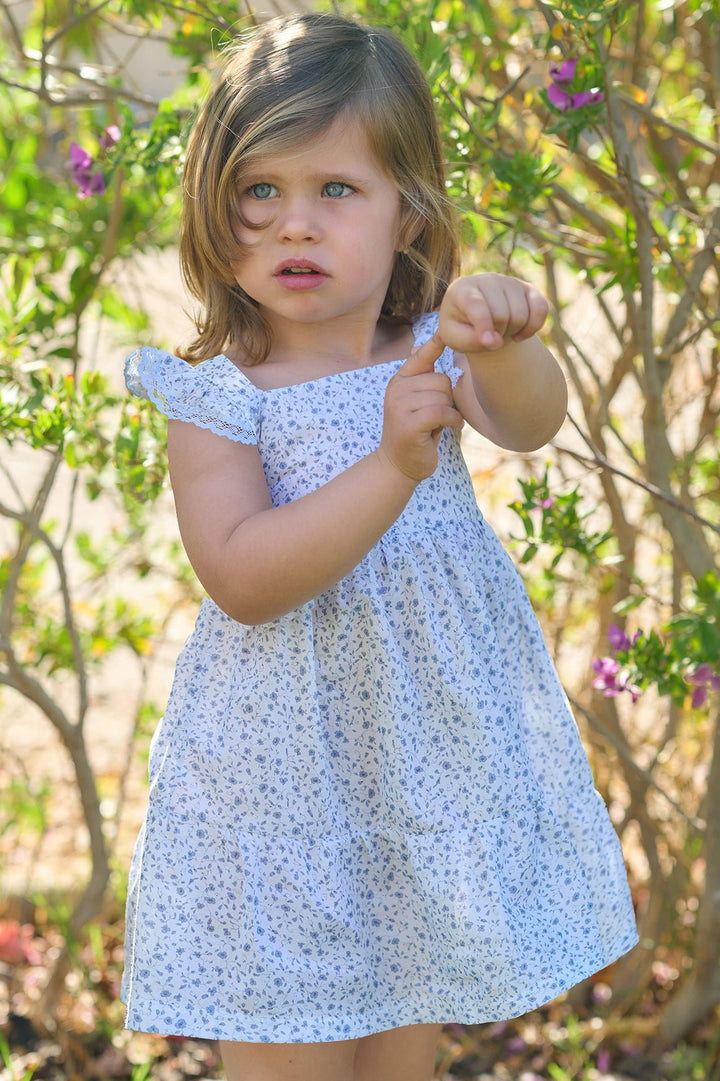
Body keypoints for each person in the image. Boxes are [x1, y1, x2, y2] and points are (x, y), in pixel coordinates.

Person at [122, 12, 637, 1081]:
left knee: (406, 1034)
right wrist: (389, 469)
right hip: (283, 790)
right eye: (259, 190)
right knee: (292, 1054)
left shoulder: (430, 354)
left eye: (335, 191)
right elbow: (244, 577)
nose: (293, 226)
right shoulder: (218, 396)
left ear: (410, 211)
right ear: (213, 205)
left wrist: (510, 341)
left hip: (422, 771)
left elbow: (531, 422)